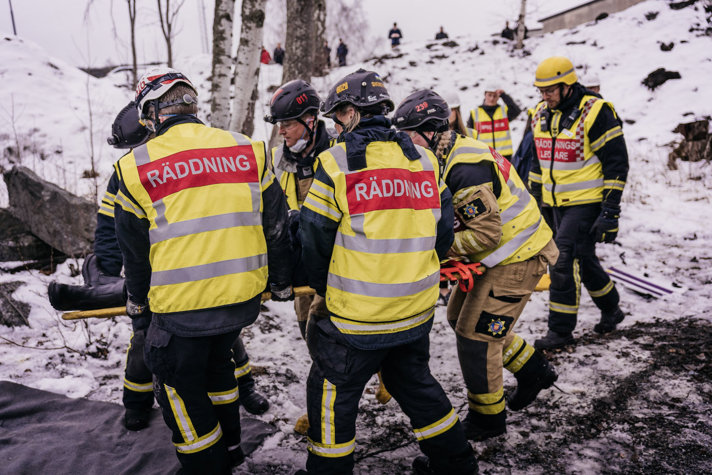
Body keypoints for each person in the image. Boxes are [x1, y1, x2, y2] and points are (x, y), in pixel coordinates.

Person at [297, 69, 476, 474]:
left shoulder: (336, 162)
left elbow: (313, 239)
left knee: (330, 392)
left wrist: (328, 287)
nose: (336, 126)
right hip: (414, 311)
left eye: (336, 118)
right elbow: (442, 235)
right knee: (416, 385)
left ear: (349, 113)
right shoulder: (425, 161)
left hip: (355, 320)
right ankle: (458, 464)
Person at [114, 67, 292, 473]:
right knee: (218, 370)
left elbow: (135, 255)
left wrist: (139, 308)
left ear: (152, 114)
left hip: (180, 313)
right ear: (193, 104)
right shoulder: (249, 149)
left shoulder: (133, 167)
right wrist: (281, 283)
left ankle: (207, 465)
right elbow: (277, 225)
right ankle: (231, 453)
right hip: (241, 303)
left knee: (179, 392)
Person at [394, 89, 559, 443]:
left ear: (432, 131)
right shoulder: (443, 155)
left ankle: (488, 419)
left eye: (409, 135)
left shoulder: (464, 166)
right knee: (458, 318)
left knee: (476, 337)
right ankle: (534, 370)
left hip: (519, 255)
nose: (405, 144)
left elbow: (484, 234)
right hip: (499, 254)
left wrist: (435, 251)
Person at [529, 56, 628, 350]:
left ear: (567, 85)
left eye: (550, 90)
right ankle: (612, 308)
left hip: (586, 203)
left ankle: (559, 331)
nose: (545, 96)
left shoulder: (596, 112)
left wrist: (610, 211)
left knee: (560, 262)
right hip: (553, 204)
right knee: (583, 260)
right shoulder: (539, 113)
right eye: (541, 91)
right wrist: (535, 201)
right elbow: (538, 161)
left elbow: (616, 164)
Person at [264, 79, 335, 339]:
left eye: (288, 123)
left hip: (336, 268)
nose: (281, 131)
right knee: (310, 333)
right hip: (300, 265)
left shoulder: (339, 151)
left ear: (311, 119)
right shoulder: (274, 159)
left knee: (331, 340)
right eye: (279, 124)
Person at [467, 84, 522, 160]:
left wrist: (504, 96)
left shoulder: (504, 111)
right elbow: (469, 136)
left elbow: (516, 111)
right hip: (484, 156)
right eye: (489, 95)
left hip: (504, 156)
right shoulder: (475, 113)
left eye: (495, 96)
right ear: (485, 95)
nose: (492, 98)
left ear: (498, 97)